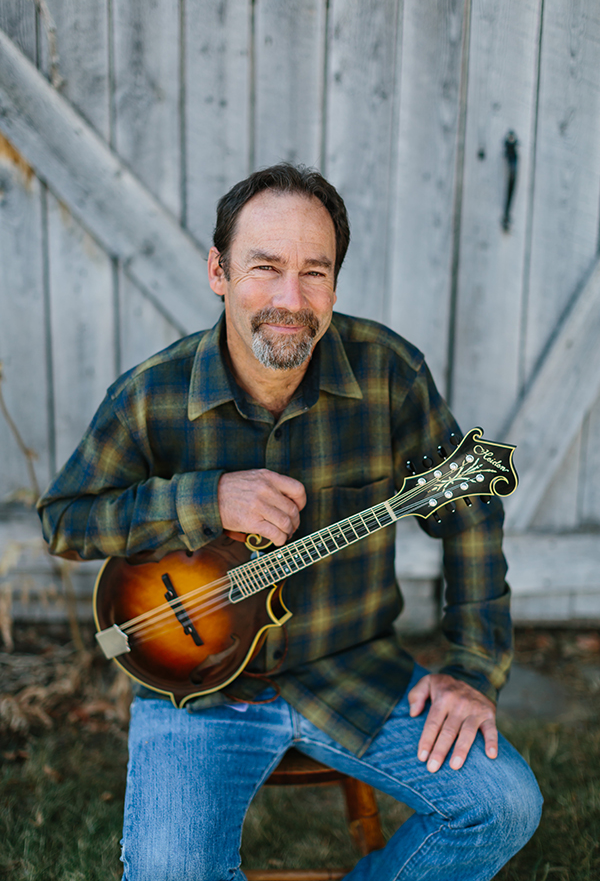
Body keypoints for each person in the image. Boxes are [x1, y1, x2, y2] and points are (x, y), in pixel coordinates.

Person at [38, 164, 542, 881]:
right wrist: (205, 501)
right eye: (265, 267)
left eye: (314, 272)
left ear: (335, 283)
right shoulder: (151, 395)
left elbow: (471, 513)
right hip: (198, 685)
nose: (290, 299)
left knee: (505, 806)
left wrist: (473, 669)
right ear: (218, 271)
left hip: (353, 669)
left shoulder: (388, 371)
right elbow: (65, 521)